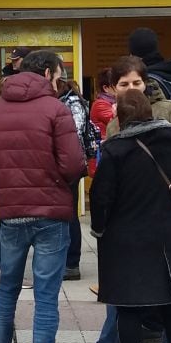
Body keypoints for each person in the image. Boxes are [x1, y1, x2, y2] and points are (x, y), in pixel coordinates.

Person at [76, 55, 171, 343]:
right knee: (129, 290)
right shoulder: (117, 122)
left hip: (167, 214)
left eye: (136, 82)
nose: (131, 88)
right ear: (111, 87)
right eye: (124, 84)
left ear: (146, 83)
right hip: (137, 222)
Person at [0, 49, 85, 343]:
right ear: (50, 72)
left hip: (9, 213)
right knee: (46, 295)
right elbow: (72, 164)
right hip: (51, 213)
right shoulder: (56, 109)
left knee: (7, 287)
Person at [58, 75, 95, 280]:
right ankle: (68, 261)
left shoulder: (71, 103)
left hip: (68, 166)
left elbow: (74, 134)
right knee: (67, 213)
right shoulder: (74, 102)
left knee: (69, 214)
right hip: (71, 164)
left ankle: (71, 263)